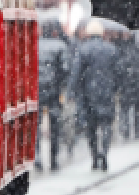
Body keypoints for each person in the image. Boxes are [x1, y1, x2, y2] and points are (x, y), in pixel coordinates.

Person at [67, 19, 119, 171]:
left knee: (91, 128)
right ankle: (105, 152)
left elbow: (76, 73)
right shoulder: (112, 49)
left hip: (88, 94)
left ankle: (95, 156)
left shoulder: (83, 50)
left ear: (88, 33)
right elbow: (118, 72)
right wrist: (116, 88)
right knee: (107, 124)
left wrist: (71, 91)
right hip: (107, 93)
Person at [37, 20, 70, 170]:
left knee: (36, 125)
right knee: (55, 126)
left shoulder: (35, 45)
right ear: (55, 31)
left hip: (37, 91)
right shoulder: (60, 46)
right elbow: (65, 69)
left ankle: (37, 156)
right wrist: (60, 84)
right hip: (54, 92)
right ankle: (53, 158)